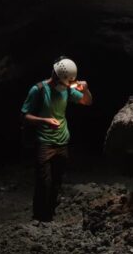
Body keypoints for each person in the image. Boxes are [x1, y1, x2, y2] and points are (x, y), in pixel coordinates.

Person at [21, 56, 93, 221]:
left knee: (57, 182)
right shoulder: (38, 90)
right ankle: (39, 218)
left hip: (62, 141)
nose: (66, 86)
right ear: (55, 76)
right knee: (43, 182)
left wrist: (85, 90)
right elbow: (24, 116)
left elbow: (87, 102)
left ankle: (50, 215)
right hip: (44, 142)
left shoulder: (67, 89)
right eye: (65, 83)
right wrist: (44, 120)